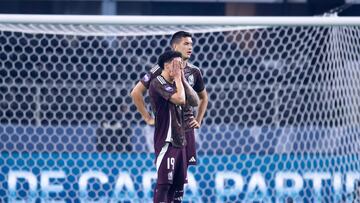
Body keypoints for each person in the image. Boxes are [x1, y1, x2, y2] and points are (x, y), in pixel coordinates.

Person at [131, 31, 208, 166]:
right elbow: (136, 92)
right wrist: (147, 118)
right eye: (185, 44)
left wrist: (198, 120)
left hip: (187, 126)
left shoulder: (194, 71)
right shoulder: (160, 69)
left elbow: (203, 98)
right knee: (167, 172)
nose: (190, 47)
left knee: (182, 173)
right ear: (175, 47)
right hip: (168, 127)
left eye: (191, 44)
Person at [149, 51, 198, 202]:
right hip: (166, 141)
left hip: (180, 142)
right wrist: (178, 78)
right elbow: (181, 100)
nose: (181, 67)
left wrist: (181, 78)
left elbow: (195, 101)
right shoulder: (158, 82)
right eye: (177, 64)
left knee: (178, 189)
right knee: (164, 185)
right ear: (167, 65)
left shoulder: (177, 83)